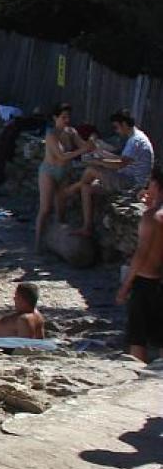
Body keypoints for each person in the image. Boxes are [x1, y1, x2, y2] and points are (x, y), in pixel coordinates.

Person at [66, 109, 154, 238]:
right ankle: (87, 227)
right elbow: (119, 159)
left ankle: (71, 190)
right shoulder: (135, 138)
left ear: (124, 124)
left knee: (91, 170)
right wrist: (99, 151)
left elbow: (120, 164)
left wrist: (98, 161)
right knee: (87, 188)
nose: (116, 130)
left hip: (132, 183)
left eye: (116, 127)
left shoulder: (136, 141)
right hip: (126, 178)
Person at [119, 167, 163, 363]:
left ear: (156, 185)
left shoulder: (151, 217)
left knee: (138, 340)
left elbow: (141, 255)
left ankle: (137, 381)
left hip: (145, 282)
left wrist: (125, 286)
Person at [35, 103, 84, 250]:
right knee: (45, 208)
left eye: (68, 117)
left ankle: (58, 243)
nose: (66, 120)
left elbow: (85, 146)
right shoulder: (51, 134)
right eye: (63, 117)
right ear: (55, 118)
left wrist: (95, 146)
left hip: (64, 172)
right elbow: (61, 156)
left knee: (61, 209)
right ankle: (37, 243)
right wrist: (83, 150)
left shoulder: (71, 132)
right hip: (48, 172)